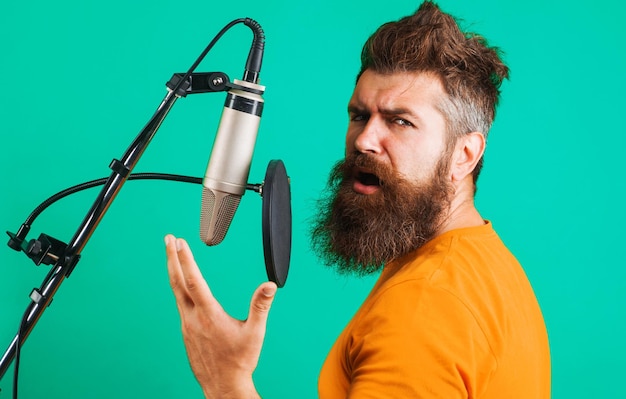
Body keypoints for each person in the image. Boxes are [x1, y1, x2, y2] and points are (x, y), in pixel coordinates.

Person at [164, 1, 551, 397]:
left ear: (464, 155)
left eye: (401, 121)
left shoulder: (424, 307)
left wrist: (226, 382)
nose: (364, 141)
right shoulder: (489, 268)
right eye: (360, 116)